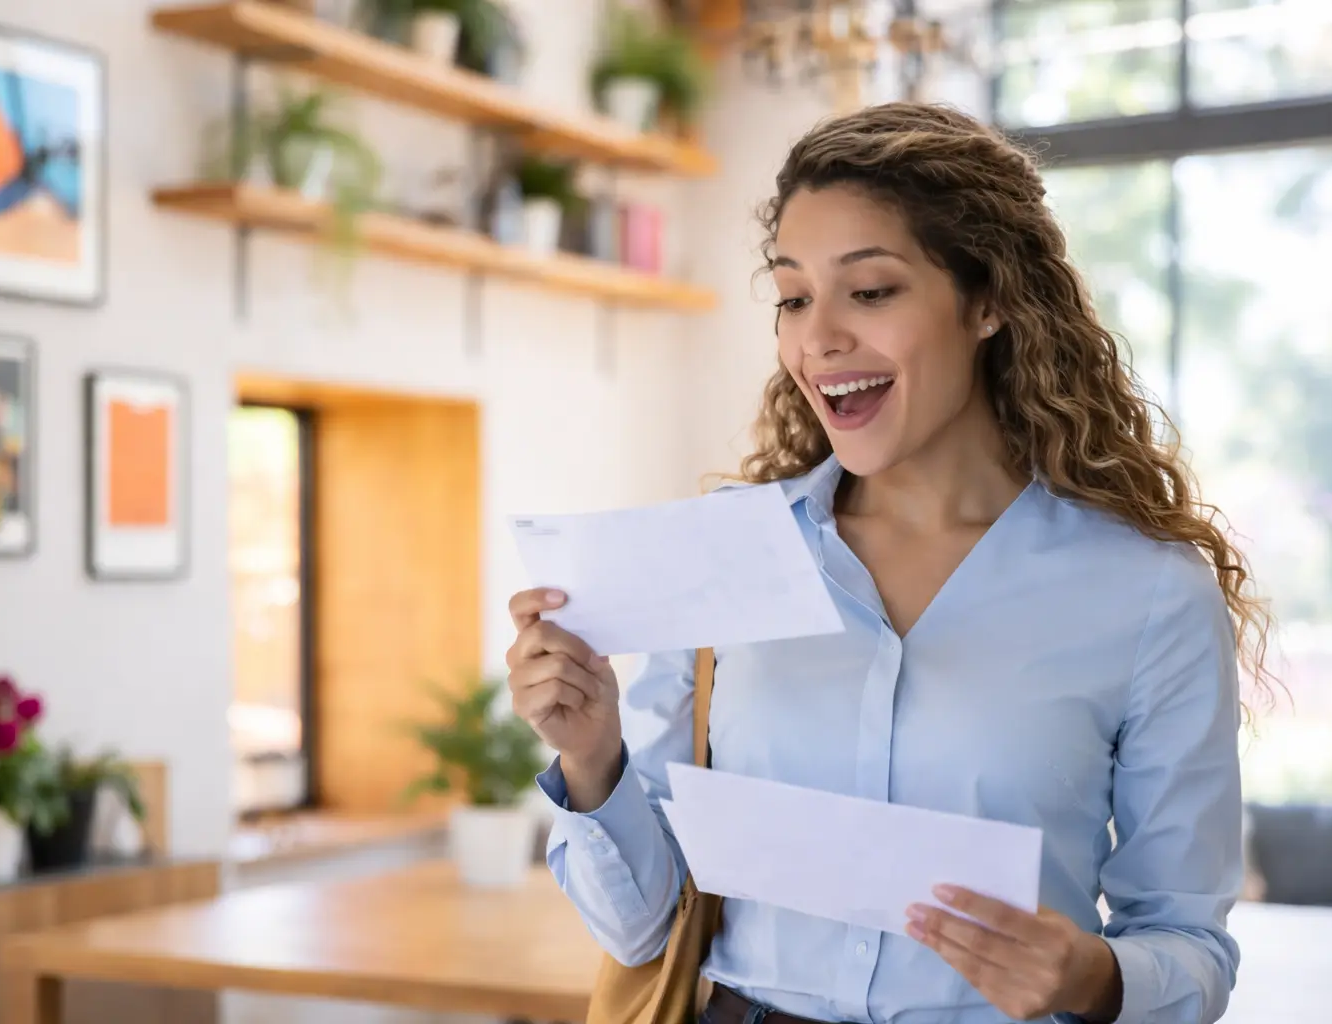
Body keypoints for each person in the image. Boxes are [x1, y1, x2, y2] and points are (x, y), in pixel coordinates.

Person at [505, 102, 1274, 1024]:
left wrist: (1089, 977)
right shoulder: (728, 551)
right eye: (793, 297)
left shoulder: (1149, 592)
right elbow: (641, 931)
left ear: (989, 300)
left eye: (869, 291)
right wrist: (592, 758)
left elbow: (1189, 946)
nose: (818, 338)